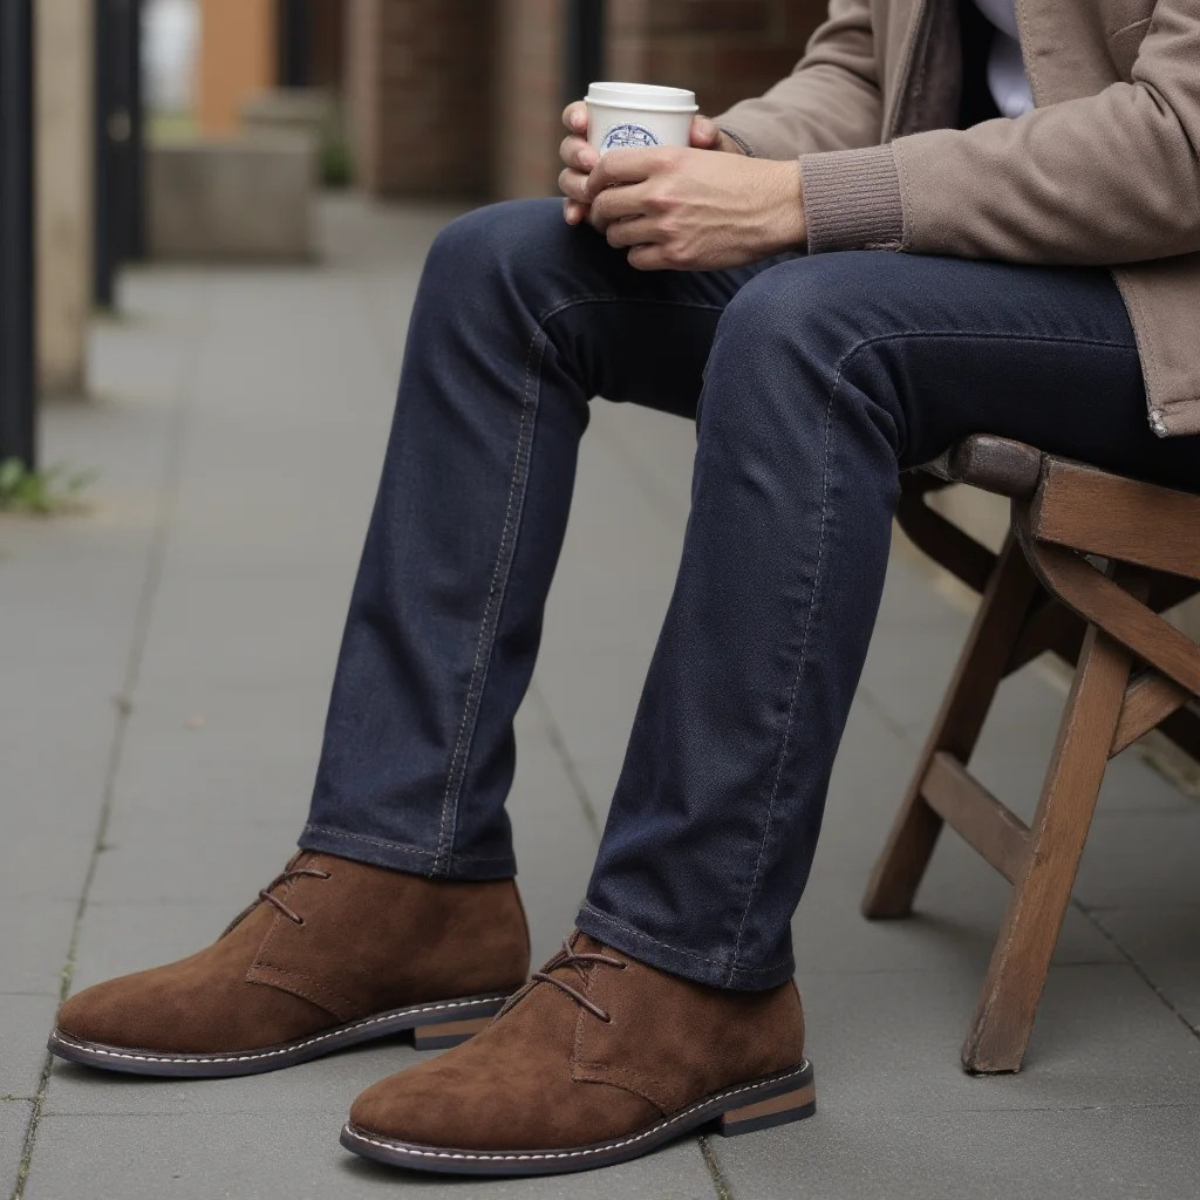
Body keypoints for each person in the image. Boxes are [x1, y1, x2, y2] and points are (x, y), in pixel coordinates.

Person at [49, 0, 1200, 1179]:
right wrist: (724, 160)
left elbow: (1183, 137)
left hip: (1157, 310)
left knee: (805, 330)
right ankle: (404, 880)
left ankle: (699, 971)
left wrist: (806, 204)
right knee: (501, 271)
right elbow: (861, 63)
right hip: (960, 260)